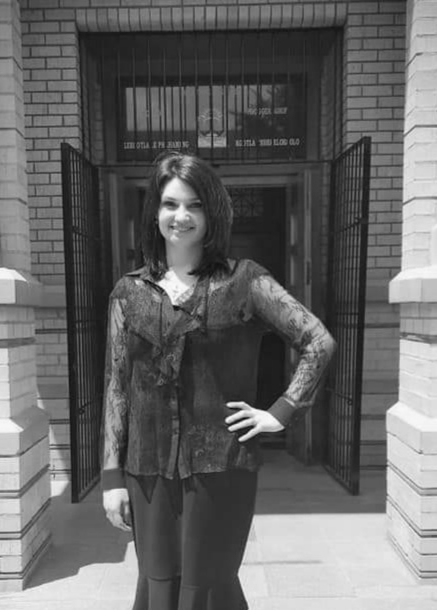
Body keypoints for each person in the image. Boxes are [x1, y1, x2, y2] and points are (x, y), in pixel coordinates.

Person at [101, 151, 336, 610]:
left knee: (207, 585)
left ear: (212, 213)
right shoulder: (128, 292)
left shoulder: (244, 281)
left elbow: (318, 341)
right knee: (158, 581)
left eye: (195, 205)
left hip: (220, 466)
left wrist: (280, 413)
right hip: (147, 469)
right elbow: (116, 385)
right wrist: (112, 478)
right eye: (170, 204)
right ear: (155, 212)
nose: (181, 216)